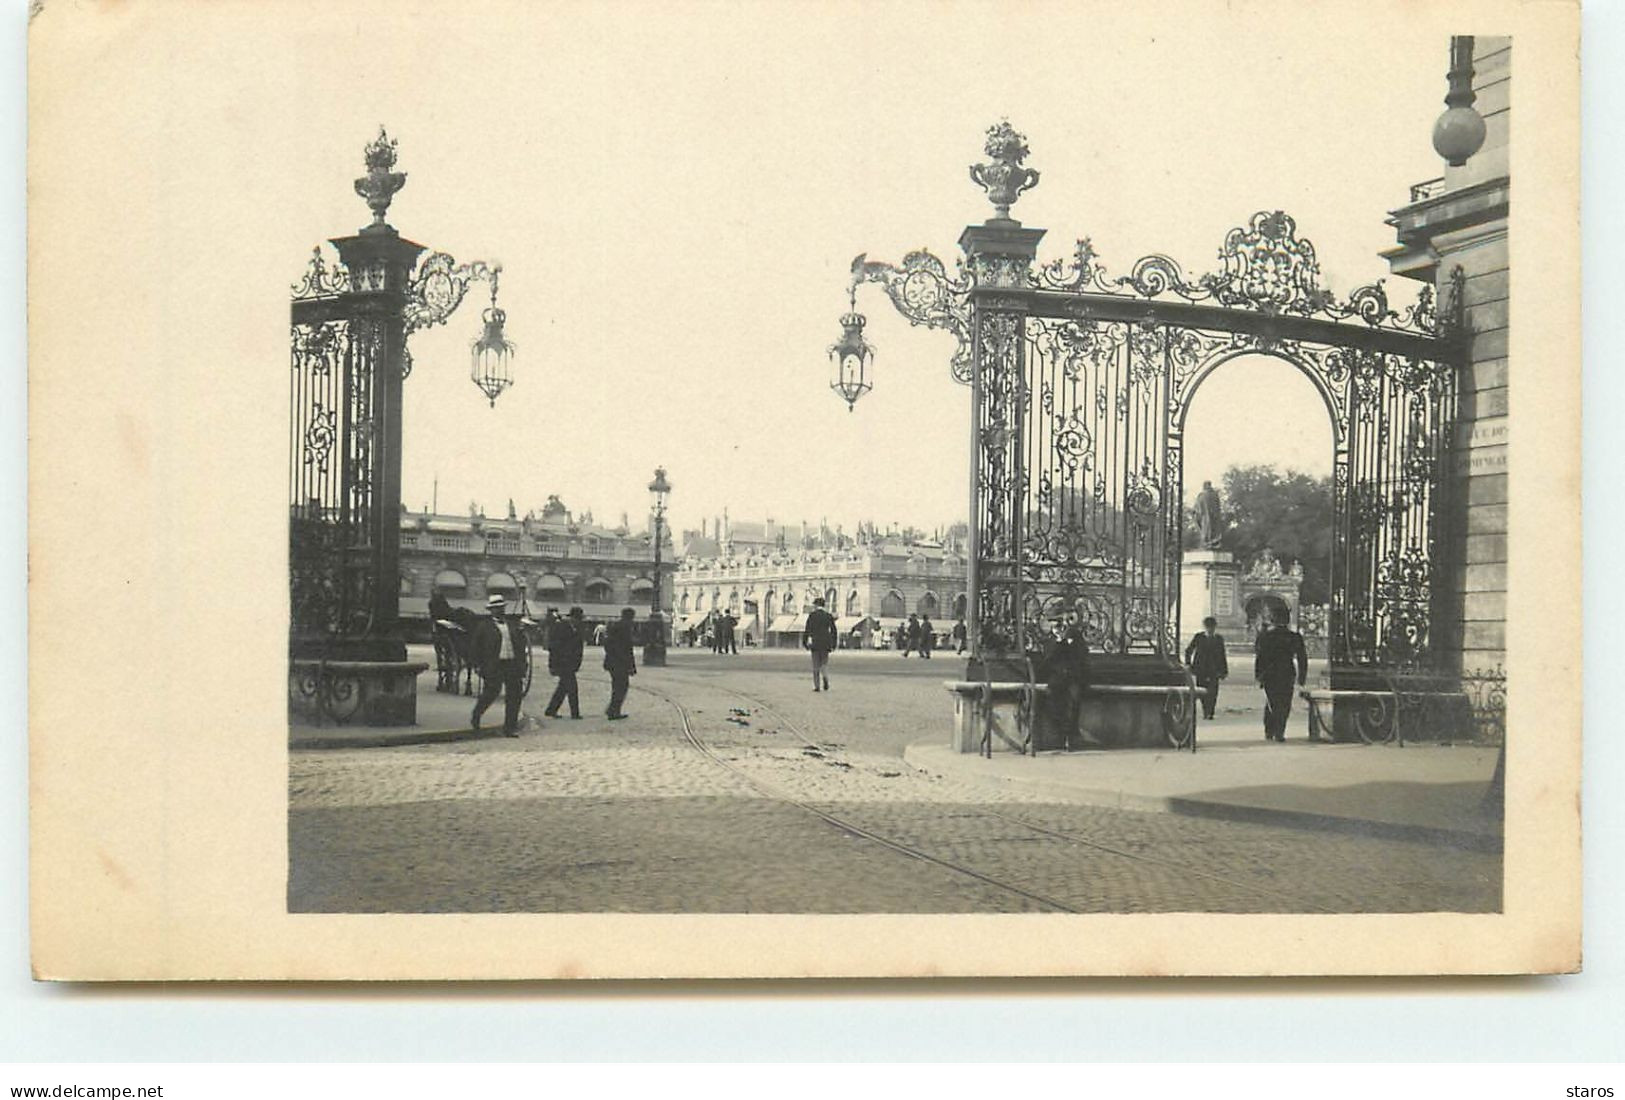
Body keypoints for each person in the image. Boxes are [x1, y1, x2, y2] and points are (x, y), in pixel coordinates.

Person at [470, 593, 528, 737]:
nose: (499, 611)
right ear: (491, 610)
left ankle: (509, 728)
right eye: (496, 608)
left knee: (514, 696)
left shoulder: (512, 625)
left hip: (512, 664)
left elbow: (520, 646)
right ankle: (477, 714)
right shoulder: (484, 627)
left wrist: (522, 664)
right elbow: (476, 647)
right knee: (491, 692)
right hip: (494, 664)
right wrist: (477, 665)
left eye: (501, 608)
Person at [1254, 605, 1308, 741]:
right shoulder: (1294, 637)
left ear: (1273, 619)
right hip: (1287, 673)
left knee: (1272, 702)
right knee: (1284, 703)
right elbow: (1302, 658)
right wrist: (1302, 677)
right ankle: (1279, 731)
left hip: (1269, 674)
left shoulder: (1266, 636)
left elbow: (1260, 657)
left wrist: (1259, 675)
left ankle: (1270, 730)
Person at [1042, 616, 1094, 750]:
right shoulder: (1049, 641)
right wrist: (1060, 642)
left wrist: (1070, 642)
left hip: (1073, 678)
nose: (1059, 630)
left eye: (1061, 627)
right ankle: (1064, 733)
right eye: (1056, 627)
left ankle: (1070, 736)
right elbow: (1048, 660)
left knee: (1074, 701)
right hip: (1056, 680)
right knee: (1054, 703)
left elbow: (1082, 657)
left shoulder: (1075, 638)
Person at [1184, 615, 1229, 720]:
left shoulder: (1218, 639)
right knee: (1202, 690)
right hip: (1201, 670)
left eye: (1212, 627)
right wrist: (1189, 665)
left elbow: (1222, 655)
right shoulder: (1199, 637)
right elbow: (1188, 650)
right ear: (1205, 627)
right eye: (1208, 627)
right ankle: (1206, 710)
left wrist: (1224, 671)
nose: (1210, 629)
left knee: (1213, 692)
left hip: (1214, 670)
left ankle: (1210, 712)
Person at [543, 606, 585, 719]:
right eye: (578, 619)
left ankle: (551, 709)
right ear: (573, 618)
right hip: (563, 663)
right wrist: (554, 664)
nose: (579, 621)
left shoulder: (576, 628)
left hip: (570, 664)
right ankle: (574, 713)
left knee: (563, 688)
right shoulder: (561, 627)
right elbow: (554, 647)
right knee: (572, 688)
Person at [602, 607, 638, 720]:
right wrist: (631, 667)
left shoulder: (615, 626)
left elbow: (607, 644)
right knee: (621, 687)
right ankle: (613, 711)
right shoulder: (625, 628)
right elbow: (628, 650)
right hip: (621, 663)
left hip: (612, 662)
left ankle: (612, 709)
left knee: (617, 686)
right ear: (630, 617)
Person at [804, 596, 838, 691]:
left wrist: (805, 642)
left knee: (815, 665)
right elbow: (833, 630)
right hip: (825, 642)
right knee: (824, 663)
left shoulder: (812, 615)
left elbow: (807, 629)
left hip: (815, 642)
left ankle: (817, 686)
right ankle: (825, 677)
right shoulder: (828, 616)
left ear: (816, 605)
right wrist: (834, 643)